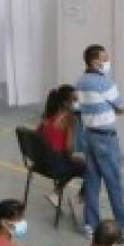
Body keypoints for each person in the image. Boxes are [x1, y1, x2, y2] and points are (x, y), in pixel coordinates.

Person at [75, 45, 124, 239]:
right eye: (104, 59)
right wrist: (110, 107)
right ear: (94, 62)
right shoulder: (104, 83)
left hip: (89, 135)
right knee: (114, 181)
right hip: (106, 138)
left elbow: (81, 107)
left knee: (92, 181)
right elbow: (122, 107)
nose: (107, 62)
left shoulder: (80, 82)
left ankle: (90, 224)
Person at [37, 84, 86, 212]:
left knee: (73, 165)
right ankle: (78, 200)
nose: (77, 102)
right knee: (92, 168)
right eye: (74, 99)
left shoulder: (46, 116)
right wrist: (77, 158)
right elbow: (68, 148)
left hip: (42, 162)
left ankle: (56, 193)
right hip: (56, 165)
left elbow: (38, 135)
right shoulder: (69, 118)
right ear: (65, 102)